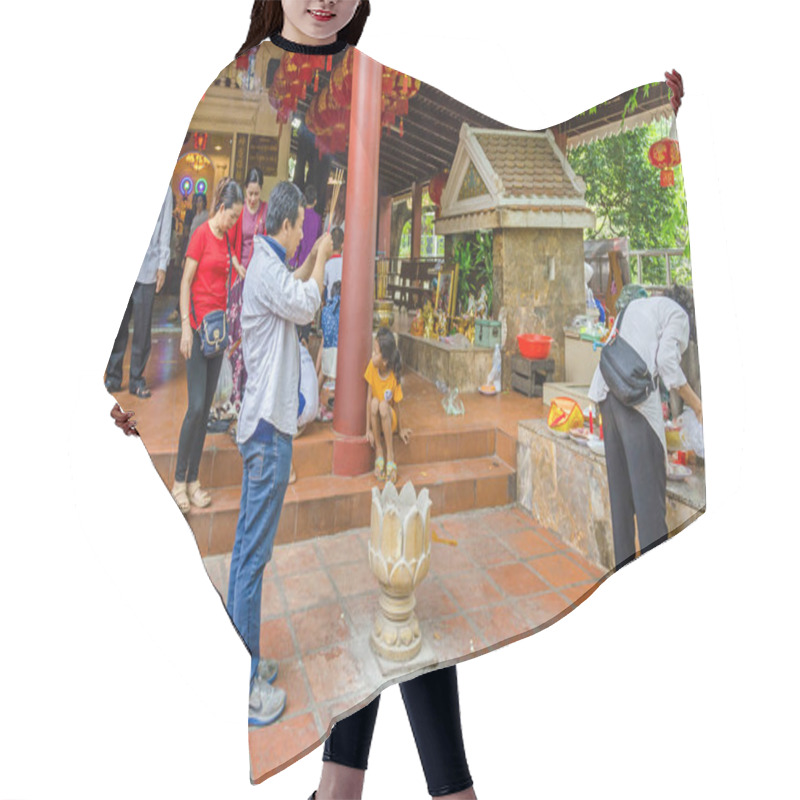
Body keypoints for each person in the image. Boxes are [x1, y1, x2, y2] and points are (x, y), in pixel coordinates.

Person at [226, 180, 333, 726]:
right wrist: (321, 259)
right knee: (250, 558)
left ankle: (242, 660)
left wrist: (312, 258)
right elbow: (306, 301)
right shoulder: (269, 268)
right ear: (286, 225)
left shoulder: (265, 266)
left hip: (264, 431)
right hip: (268, 433)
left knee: (249, 555)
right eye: (300, 231)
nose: (301, 239)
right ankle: (240, 682)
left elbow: (292, 290)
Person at [588, 286, 703, 570]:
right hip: (634, 404)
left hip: (606, 394)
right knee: (650, 505)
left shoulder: (640, 306)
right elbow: (666, 363)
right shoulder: (678, 315)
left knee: (622, 502)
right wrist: (698, 407)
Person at [171, 177, 244, 514]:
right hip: (198, 329)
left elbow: (225, 266)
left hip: (218, 332)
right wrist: (186, 327)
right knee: (197, 407)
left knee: (207, 410)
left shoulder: (227, 238)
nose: (234, 223)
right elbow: (186, 282)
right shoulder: (201, 234)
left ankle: (195, 481)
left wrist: (239, 266)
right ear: (221, 208)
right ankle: (178, 481)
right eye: (232, 216)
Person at [104, 185, 172, 398]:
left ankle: (136, 379)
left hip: (149, 268)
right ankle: (113, 376)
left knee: (142, 329)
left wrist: (162, 265)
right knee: (118, 326)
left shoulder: (166, 190)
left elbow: (166, 229)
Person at [227, 167, 269, 418]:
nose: (252, 198)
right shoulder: (239, 212)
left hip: (258, 281)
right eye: (249, 193)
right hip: (239, 278)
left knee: (255, 336)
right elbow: (231, 246)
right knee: (237, 336)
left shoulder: (265, 212)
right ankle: (235, 392)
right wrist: (238, 265)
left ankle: (253, 390)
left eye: (256, 193)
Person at [365, 327, 411, 484]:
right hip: (376, 421)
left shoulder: (393, 376)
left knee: (383, 405)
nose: (372, 355)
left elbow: (397, 406)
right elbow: (368, 398)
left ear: (384, 361)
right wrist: (368, 430)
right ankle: (379, 451)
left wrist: (401, 429)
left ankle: (390, 455)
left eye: (375, 352)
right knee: (374, 403)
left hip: (389, 420)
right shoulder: (372, 368)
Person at [316, 225, 344, 420]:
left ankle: (316, 389)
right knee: (336, 353)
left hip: (329, 313)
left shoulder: (326, 265)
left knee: (325, 348)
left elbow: (322, 289)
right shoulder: (346, 263)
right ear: (343, 244)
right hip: (343, 313)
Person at [289, 184, 323, 270]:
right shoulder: (318, 219)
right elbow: (319, 238)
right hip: (312, 261)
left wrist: (292, 262)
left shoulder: (299, 215)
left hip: (299, 260)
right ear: (315, 201)